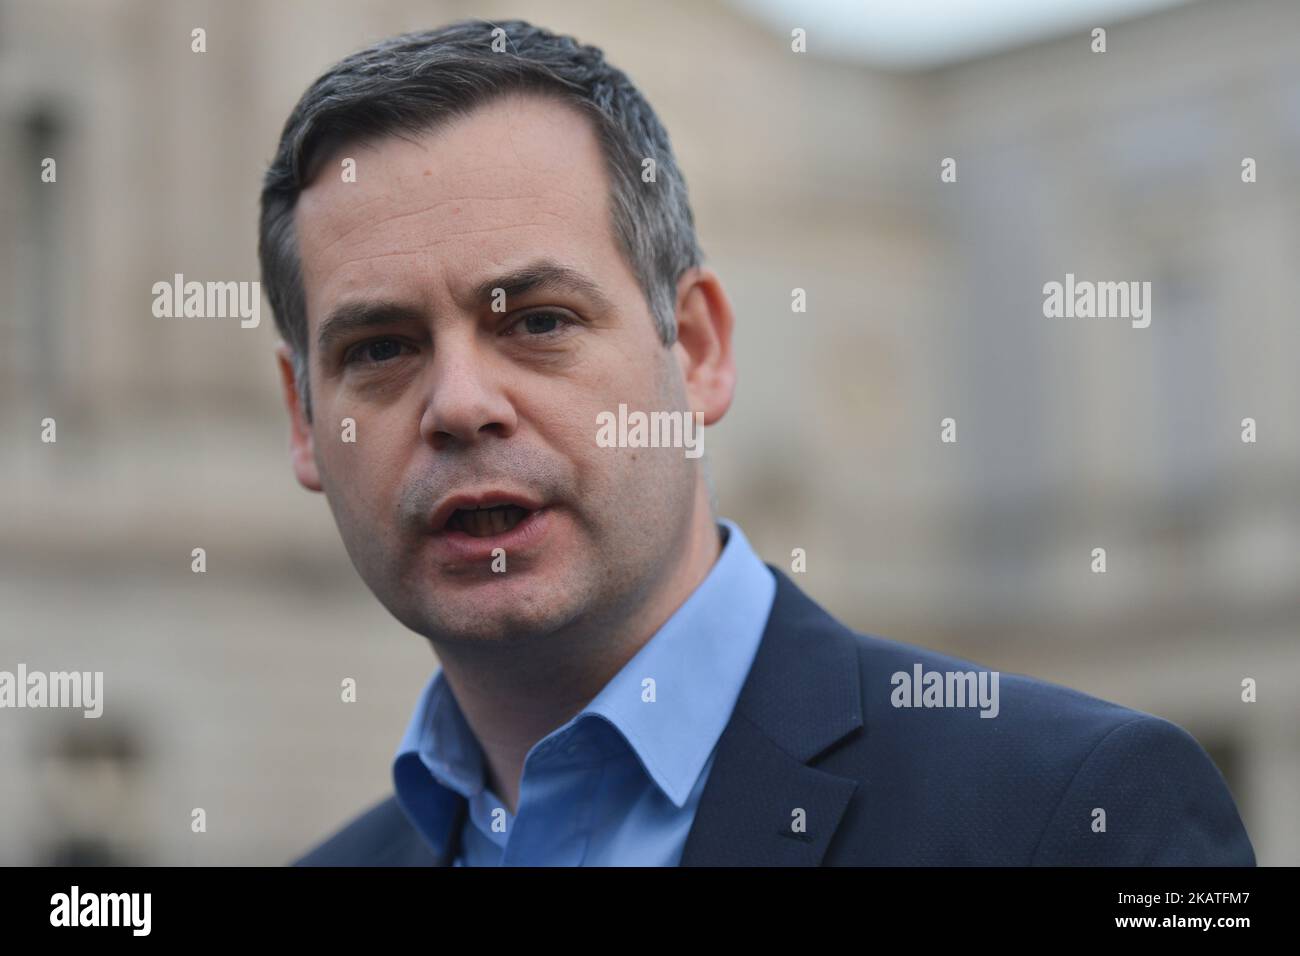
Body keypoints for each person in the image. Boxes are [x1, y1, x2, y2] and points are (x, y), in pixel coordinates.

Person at [257, 19, 1255, 866]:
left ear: (695, 351)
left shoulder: (1083, 816)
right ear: (307, 420)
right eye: (382, 347)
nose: (460, 403)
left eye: (538, 321)